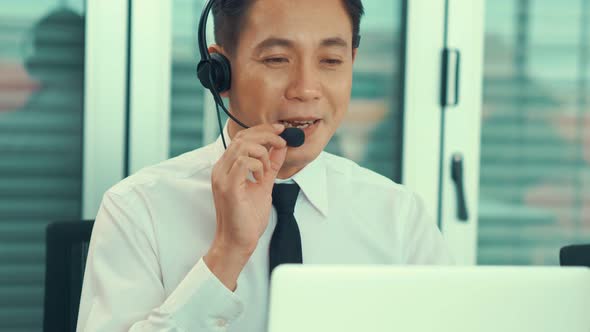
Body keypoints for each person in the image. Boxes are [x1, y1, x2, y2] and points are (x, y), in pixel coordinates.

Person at [77, 0, 453, 331]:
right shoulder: (138, 208)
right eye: (277, 59)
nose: (306, 89)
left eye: (330, 61)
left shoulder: (399, 217)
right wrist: (227, 253)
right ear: (219, 71)